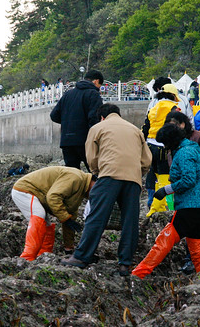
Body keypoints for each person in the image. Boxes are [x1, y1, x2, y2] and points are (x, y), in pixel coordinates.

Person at [62, 104, 151, 276]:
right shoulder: (135, 130)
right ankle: (125, 264)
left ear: (102, 117)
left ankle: (81, 257)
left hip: (108, 176)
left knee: (97, 217)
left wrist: (97, 173)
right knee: (130, 222)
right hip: (133, 179)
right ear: (118, 114)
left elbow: (91, 158)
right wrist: (137, 173)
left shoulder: (97, 128)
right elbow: (146, 160)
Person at [132, 124, 200, 279]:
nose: (164, 147)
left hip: (190, 206)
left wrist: (166, 190)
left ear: (171, 141)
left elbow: (188, 180)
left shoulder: (184, 153)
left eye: (165, 143)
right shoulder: (190, 149)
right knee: (198, 247)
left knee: (165, 239)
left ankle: (140, 273)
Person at [12, 166, 95, 261]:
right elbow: (53, 197)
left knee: (45, 224)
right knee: (39, 215)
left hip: (38, 194)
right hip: (24, 190)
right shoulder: (76, 178)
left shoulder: (81, 191)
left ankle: (43, 255)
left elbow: (70, 216)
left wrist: (69, 247)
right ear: (95, 183)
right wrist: (66, 219)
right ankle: (27, 258)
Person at [50, 70, 104, 171]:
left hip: (67, 141)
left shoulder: (68, 94)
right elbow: (94, 119)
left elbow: (54, 115)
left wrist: (68, 121)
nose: (99, 89)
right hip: (85, 141)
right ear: (96, 81)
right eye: (100, 86)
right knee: (95, 172)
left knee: (72, 176)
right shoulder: (93, 94)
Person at [142, 84, 180, 215]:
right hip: (164, 148)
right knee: (164, 180)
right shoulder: (173, 108)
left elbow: (145, 128)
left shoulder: (153, 108)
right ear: (173, 95)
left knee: (156, 178)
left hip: (150, 146)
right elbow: (174, 130)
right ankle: (153, 210)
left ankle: (161, 207)